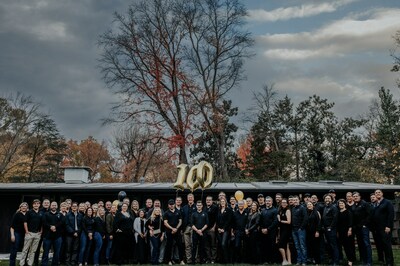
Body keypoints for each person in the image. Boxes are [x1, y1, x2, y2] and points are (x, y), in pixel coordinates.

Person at [372, 189, 394, 266]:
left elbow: (391, 215)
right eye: (376, 193)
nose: (377, 194)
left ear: (382, 194)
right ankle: (384, 261)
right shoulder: (376, 203)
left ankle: (390, 262)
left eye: (379, 192)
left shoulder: (387, 202)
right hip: (377, 229)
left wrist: (388, 226)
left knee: (387, 245)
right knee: (381, 245)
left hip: (385, 228)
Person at [352, 191, 372, 266]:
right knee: (361, 244)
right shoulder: (354, 205)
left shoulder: (365, 204)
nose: (355, 197)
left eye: (356, 196)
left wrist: (365, 224)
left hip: (364, 227)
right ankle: (364, 260)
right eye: (354, 196)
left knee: (366, 244)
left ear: (360, 197)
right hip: (357, 228)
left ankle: (369, 261)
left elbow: (370, 215)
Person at [20, 199, 42, 266]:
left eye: (37, 203)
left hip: (37, 234)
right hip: (29, 233)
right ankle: (22, 264)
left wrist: (41, 231)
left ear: (39, 205)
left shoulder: (41, 213)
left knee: (33, 251)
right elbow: (25, 222)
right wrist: (26, 231)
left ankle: (30, 264)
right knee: (25, 250)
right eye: (35, 203)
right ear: (33, 205)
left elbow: (42, 223)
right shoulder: (29, 212)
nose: (36, 205)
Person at [42, 201, 64, 266]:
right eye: (52, 205)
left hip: (57, 237)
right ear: (50, 206)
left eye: (55, 205)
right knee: (46, 252)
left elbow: (62, 223)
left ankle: (55, 264)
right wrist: (50, 227)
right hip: (47, 236)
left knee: (57, 252)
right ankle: (44, 264)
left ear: (57, 206)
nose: (54, 206)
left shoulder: (60, 214)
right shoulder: (46, 214)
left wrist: (55, 226)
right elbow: (44, 223)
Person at [163, 199, 184, 265]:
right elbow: (165, 223)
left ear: (174, 204)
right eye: (170, 204)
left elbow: (180, 221)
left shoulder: (178, 211)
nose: (171, 205)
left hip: (177, 231)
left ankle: (181, 260)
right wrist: (172, 229)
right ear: (168, 205)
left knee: (180, 245)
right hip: (169, 232)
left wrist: (176, 228)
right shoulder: (166, 213)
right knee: (169, 246)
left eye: (172, 204)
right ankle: (169, 260)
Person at [259, 196, 278, 264]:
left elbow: (275, 221)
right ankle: (266, 260)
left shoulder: (275, 210)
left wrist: (268, 229)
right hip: (263, 231)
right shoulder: (263, 210)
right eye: (266, 201)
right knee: (265, 246)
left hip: (272, 231)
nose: (267, 202)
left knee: (272, 246)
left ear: (272, 202)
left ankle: (273, 261)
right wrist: (262, 229)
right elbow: (260, 221)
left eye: (269, 201)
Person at [322, 194, 339, 265]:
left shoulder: (333, 207)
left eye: (328, 198)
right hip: (326, 229)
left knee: (333, 245)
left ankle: (336, 261)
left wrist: (331, 227)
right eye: (326, 198)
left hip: (331, 229)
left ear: (331, 199)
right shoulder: (325, 207)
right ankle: (331, 259)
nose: (327, 199)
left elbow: (335, 218)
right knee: (329, 245)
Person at [337, 199, 355, 266]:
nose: (341, 204)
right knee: (342, 246)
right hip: (340, 232)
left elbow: (351, 222)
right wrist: (338, 232)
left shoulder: (348, 212)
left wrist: (350, 230)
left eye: (342, 203)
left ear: (345, 204)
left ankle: (350, 260)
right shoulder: (338, 212)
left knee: (348, 246)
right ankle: (343, 259)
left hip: (347, 231)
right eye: (340, 203)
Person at [291, 195, 308, 266]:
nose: (295, 201)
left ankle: (304, 261)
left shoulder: (302, 208)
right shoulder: (293, 208)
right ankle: (299, 261)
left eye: (296, 200)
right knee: (297, 246)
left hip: (300, 230)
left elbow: (305, 218)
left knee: (302, 246)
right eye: (294, 200)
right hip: (294, 230)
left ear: (299, 200)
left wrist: (301, 228)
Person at [10, 202, 28, 266]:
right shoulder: (17, 214)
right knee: (14, 249)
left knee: (25, 249)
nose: (23, 207)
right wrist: (12, 235)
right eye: (22, 206)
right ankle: (12, 264)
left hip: (26, 234)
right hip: (17, 233)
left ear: (27, 207)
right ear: (20, 208)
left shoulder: (28, 214)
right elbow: (12, 226)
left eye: (25, 206)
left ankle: (23, 263)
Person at [65, 202, 83, 266]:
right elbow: (67, 225)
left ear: (77, 207)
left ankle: (73, 261)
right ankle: (67, 261)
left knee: (75, 248)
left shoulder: (80, 215)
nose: (74, 207)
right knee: (68, 248)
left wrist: (77, 232)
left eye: (76, 206)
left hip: (77, 234)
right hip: (69, 234)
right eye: (73, 206)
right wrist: (73, 232)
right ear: (71, 207)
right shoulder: (68, 215)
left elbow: (81, 225)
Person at [216, 197, 233, 264]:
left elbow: (229, 221)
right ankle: (221, 260)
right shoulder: (218, 210)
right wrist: (218, 228)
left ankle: (226, 260)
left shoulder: (229, 210)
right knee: (220, 245)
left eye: (223, 201)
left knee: (224, 244)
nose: (222, 202)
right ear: (220, 202)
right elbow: (217, 220)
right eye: (221, 201)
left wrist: (223, 228)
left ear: (226, 202)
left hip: (226, 230)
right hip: (219, 230)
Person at [305, 201, 321, 266]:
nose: (309, 205)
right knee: (310, 246)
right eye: (308, 204)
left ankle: (317, 261)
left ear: (313, 205)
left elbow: (319, 222)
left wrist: (317, 231)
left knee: (316, 247)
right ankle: (312, 259)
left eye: (310, 204)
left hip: (315, 232)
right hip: (308, 232)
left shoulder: (316, 212)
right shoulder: (306, 212)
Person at [181, 193, 196, 264]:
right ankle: (189, 260)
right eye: (189, 197)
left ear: (193, 198)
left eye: (191, 197)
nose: (190, 199)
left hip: (194, 228)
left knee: (194, 244)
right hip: (186, 228)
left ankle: (195, 259)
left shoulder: (197, 206)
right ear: (187, 199)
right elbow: (182, 218)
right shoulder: (184, 208)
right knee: (187, 245)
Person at [278, 198, 292, 266]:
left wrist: (280, 220)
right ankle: (289, 261)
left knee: (280, 245)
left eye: (284, 202)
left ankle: (284, 260)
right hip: (282, 230)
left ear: (287, 203)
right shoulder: (280, 210)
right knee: (286, 246)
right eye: (282, 202)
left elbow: (289, 221)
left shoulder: (288, 210)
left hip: (286, 230)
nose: (283, 204)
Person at [205, 195, 218, 264]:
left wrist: (214, 227)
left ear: (212, 201)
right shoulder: (204, 208)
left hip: (212, 229)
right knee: (207, 246)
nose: (208, 201)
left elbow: (217, 219)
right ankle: (208, 259)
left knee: (213, 245)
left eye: (209, 200)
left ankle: (213, 259)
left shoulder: (215, 208)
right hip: (205, 229)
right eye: (207, 200)